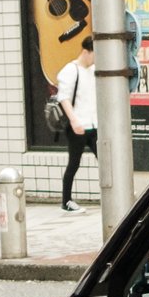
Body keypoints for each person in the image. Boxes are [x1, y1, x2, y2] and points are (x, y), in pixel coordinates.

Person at [54, 32, 95, 213]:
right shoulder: (70, 70)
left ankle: (117, 194)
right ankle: (66, 201)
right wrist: (74, 121)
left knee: (107, 160)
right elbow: (64, 99)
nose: (96, 59)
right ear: (86, 51)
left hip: (94, 125)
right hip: (77, 126)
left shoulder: (94, 70)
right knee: (74, 163)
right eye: (95, 55)